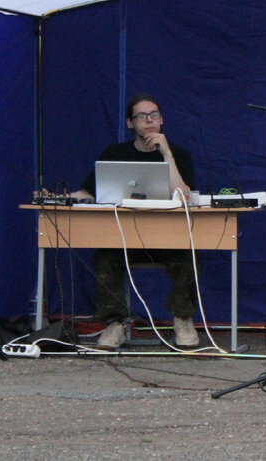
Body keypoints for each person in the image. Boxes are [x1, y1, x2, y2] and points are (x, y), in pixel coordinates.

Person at [70, 94, 201, 350]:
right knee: (105, 257)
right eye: (142, 116)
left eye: (154, 115)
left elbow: (184, 196)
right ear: (131, 123)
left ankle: (183, 320)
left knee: (188, 256)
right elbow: (88, 192)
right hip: (124, 238)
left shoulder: (179, 155)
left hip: (167, 239)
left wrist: (167, 155)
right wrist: (60, 197)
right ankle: (114, 324)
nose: (149, 120)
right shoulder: (114, 153)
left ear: (161, 120)